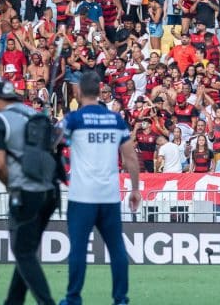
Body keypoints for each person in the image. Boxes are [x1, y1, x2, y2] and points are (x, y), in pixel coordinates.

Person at [59, 74, 138, 305]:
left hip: (82, 195)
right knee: (116, 249)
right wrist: (135, 189)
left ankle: (73, 298)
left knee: (78, 250)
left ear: (79, 92)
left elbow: (53, 143)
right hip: (109, 196)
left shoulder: (74, 119)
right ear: (99, 92)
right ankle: (120, 299)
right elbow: (130, 158)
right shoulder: (115, 120)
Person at [0, 80, 62, 305]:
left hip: (26, 192)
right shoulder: (34, 114)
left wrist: (10, 185)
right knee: (26, 251)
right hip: (51, 189)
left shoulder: (0, 122)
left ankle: (47, 302)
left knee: (24, 253)